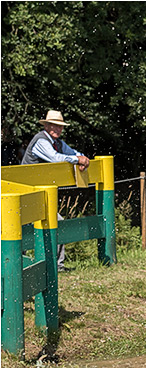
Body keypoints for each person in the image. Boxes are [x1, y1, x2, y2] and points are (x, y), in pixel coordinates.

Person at [22, 110, 91, 271]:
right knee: (23, 229)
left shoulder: (58, 142)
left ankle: (57, 266)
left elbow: (73, 153)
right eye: (53, 125)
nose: (57, 129)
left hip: (41, 194)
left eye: (59, 126)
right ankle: (17, 265)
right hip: (27, 192)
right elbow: (54, 157)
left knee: (58, 223)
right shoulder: (41, 141)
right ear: (46, 125)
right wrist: (76, 160)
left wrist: (83, 159)